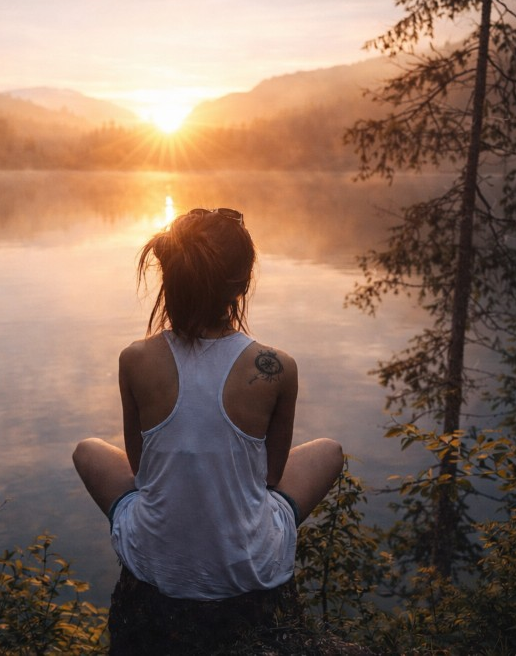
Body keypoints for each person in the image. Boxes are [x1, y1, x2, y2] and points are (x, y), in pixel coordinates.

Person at [73, 206, 343, 601]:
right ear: (242, 285)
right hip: (251, 567)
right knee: (330, 451)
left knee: (87, 451)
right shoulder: (278, 367)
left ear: (170, 277)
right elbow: (270, 477)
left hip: (154, 563)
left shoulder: (134, 358)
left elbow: (139, 468)